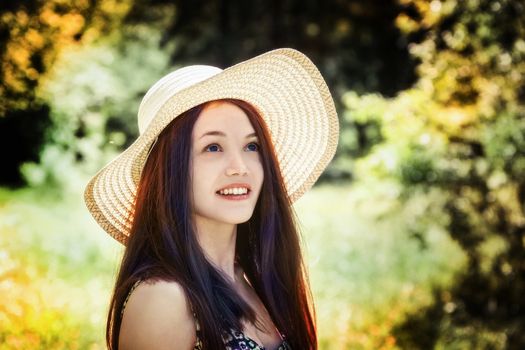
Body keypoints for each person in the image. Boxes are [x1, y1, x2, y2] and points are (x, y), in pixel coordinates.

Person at [84, 48, 339, 350]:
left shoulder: (252, 277)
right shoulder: (163, 298)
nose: (240, 167)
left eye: (252, 146)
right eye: (213, 148)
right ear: (170, 170)